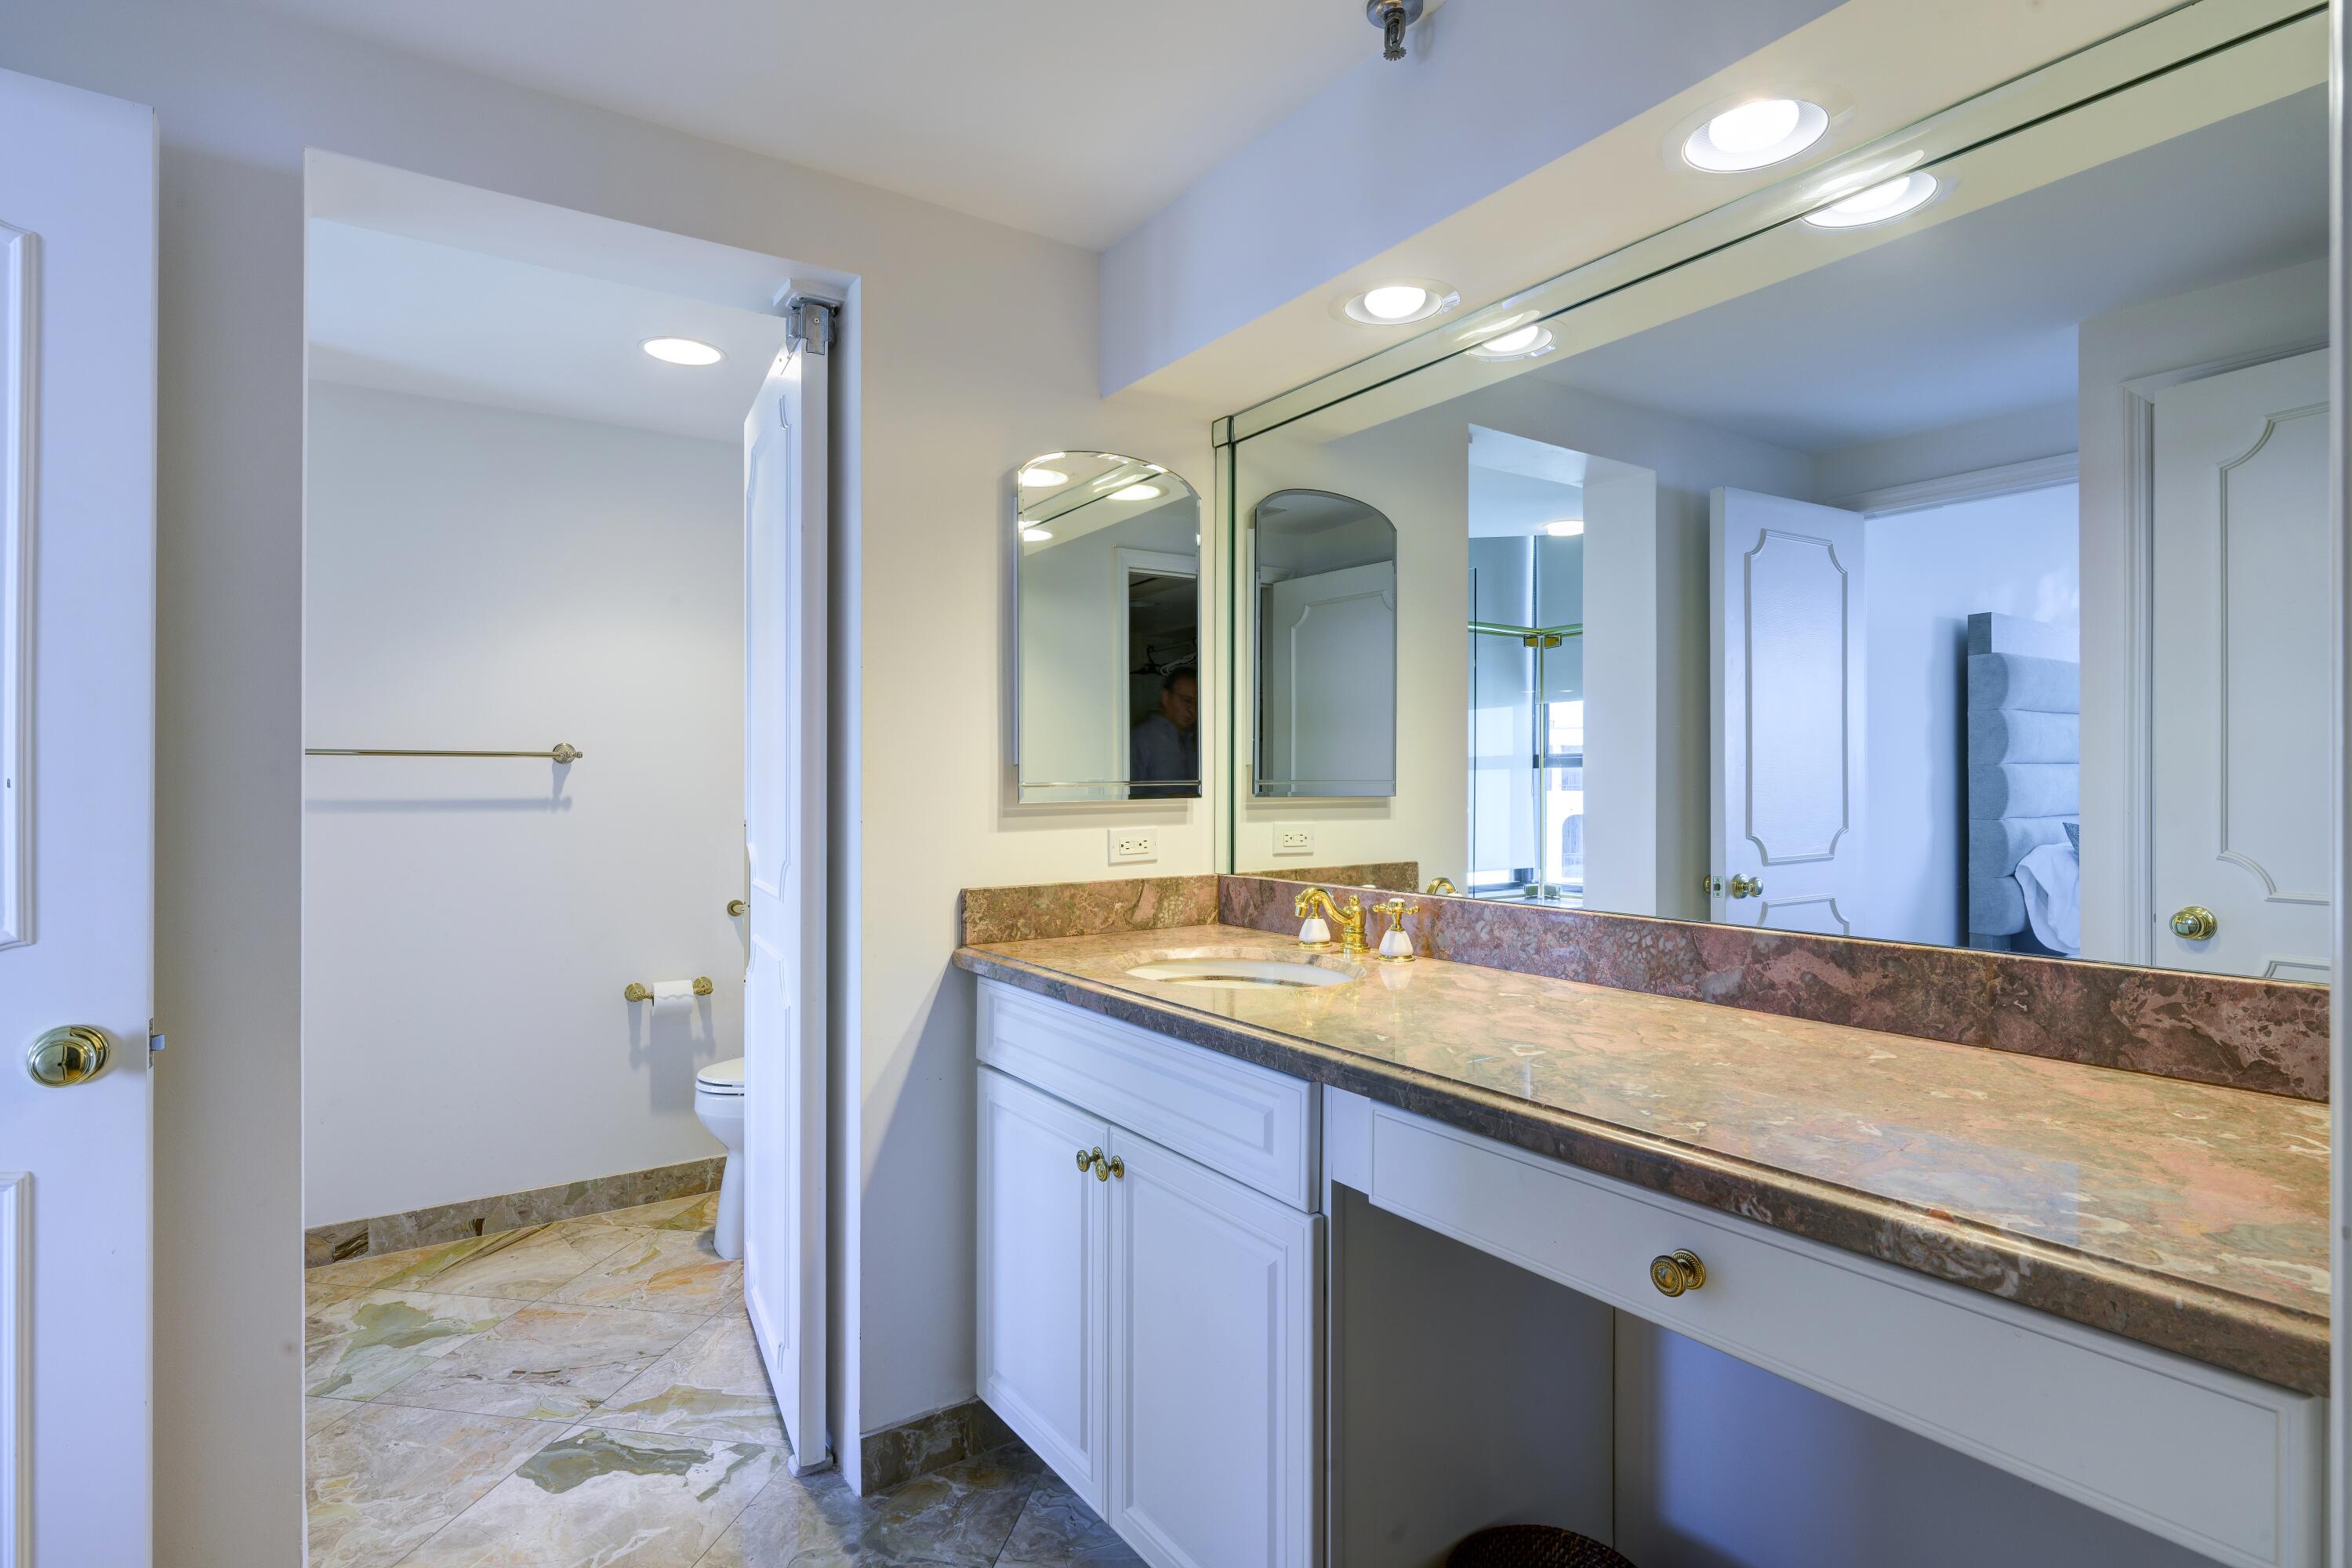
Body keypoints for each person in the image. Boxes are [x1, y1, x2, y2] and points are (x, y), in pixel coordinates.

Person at [1129, 668, 1198, 798]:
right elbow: (1128, 797)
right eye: (1187, 701)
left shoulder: (1195, 741)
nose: (1192, 710)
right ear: (1166, 697)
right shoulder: (1142, 738)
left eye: (1197, 704)